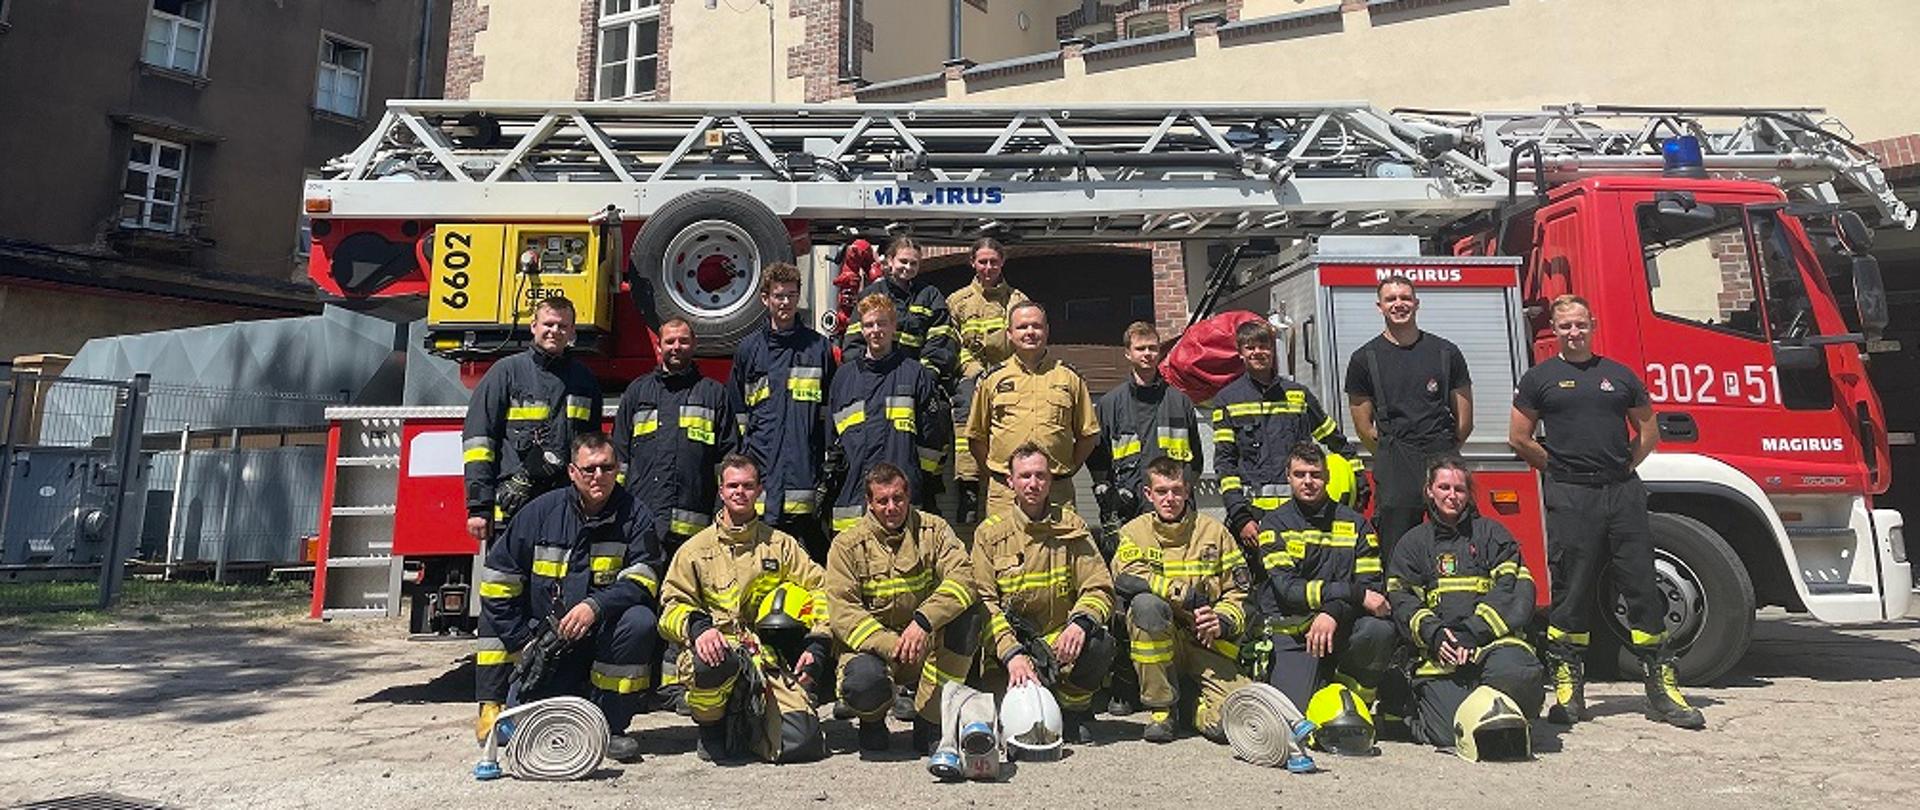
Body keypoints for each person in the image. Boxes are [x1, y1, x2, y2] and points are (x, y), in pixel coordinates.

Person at [1509, 294, 1704, 730]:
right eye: (1565, 326)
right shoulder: (1539, 378)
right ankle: (1568, 688)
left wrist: (1625, 466)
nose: (1574, 332)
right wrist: (1557, 469)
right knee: (1572, 584)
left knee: (1640, 583)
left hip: (1621, 492)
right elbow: (1519, 437)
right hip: (1571, 494)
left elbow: (1648, 429)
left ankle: (1661, 688)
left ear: (1593, 326)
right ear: (1554, 330)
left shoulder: (1619, 375)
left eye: (1580, 324)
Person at [474, 432, 663, 764]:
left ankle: (609, 726)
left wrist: (595, 606)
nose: (598, 476)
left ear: (618, 469)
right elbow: (497, 582)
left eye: (607, 467)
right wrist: (523, 644)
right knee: (518, 731)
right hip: (548, 644)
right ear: (573, 472)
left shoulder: (636, 516)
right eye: (589, 469)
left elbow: (644, 579)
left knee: (639, 621)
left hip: (601, 637)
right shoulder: (539, 513)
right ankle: (494, 703)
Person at [658, 454, 832, 764]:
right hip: (717, 651)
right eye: (733, 486)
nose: (740, 492)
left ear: (759, 490)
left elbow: (821, 589)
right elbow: (670, 608)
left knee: (800, 743)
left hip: (765, 656)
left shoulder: (781, 545)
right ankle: (712, 730)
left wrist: (817, 642)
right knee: (712, 663)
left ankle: (747, 728)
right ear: (721, 491)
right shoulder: (694, 550)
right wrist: (699, 628)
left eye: (748, 486)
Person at [1385, 456, 1544, 749]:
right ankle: (1413, 709)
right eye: (1444, 487)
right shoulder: (1413, 544)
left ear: (1469, 493)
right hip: (1440, 656)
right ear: (1429, 491)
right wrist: (1434, 634)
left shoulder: (1493, 535)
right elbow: (1401, 598)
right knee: (1452, 735)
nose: (1452, 495)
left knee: (1520, 673)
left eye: (1459, 489)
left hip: (1492, 648)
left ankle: (1509, 717)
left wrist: (1472, 632)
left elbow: (1515, 591)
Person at [825, 463, 983, 754]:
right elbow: (843, 612)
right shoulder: (846, 545)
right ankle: (872, 722)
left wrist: (923, 622)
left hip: (922, 642)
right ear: (869, 502)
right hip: (873, 649)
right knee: (863, 681)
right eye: (882, 500)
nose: (891, 507)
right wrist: (892, 644)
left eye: (898, 498)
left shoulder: (934, 530)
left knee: (970, 618)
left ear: (908, 496)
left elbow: (964, 577)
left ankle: (930, 720)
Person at [969, 443, 1117, 744]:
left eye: (1040, 475)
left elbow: (1099, 586)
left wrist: (1080, 623)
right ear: (1010, 481)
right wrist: (1012, 655)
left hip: (1060, 647)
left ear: (1050, 480)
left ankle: (1073, 709)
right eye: (1025, 476)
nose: (1033, 483)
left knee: (1100, 643)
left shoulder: (1072, 526)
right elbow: (984, 604)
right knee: (1017, 720)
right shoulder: (989, 534)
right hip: (1010, 652)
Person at [1111, 456, 1251, 744]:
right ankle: (1162, 710)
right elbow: (1126, 577)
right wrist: (1185, 595)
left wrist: (1221, 621)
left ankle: (1189, 707)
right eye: (1161, 491)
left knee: (1234, 720)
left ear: (1188, 491)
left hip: (1205, 644)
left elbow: (1239, 593)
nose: (1170, 498)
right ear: (1148, 494)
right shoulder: (1134, 533)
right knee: (1146, 606)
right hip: (1162, 641)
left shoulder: (1215, 532)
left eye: (1176, 490)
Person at [1252, 443, 1396, 720]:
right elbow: (1289, 590)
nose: (1308, 481)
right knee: (1294, 717)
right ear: (1288, 476)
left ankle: (1350, 693)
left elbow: (1372, 590)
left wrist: (1331, 612)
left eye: (1315, 474)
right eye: (1300, 474)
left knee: (1378, 630)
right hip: (1294, 631)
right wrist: (1351, 593)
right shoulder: (1273, 525)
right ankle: (1318, 682)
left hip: (1341, 626)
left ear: (1327, 477)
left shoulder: (1357, 525)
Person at [1345, 276, 1473, 561]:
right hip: (1396, 460)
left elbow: (1465, 421)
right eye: (1391, 299)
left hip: (1441, 453)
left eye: (1405, 298)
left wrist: (1446, 450)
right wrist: (1390, 452)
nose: (1399, 304)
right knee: (1396, 545)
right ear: (1379, 306)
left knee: (1459, 536)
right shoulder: (1364, 359)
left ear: (1417, 303)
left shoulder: (1446, 352)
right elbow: (1364, 428)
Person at [1212, 319, 1368, 548]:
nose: (1258, 352)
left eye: (1263, 346)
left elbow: (1333, 437)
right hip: (1255, 517)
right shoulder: (1228, 400)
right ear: (1240, 353)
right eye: (1250, 347)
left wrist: (1358, 475)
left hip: (1302, 513)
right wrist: (1241, 516)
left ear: (1272, 350)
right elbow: (1225, 463)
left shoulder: (1298, 395)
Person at [462, 296, 603, 544]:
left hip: (567, 506)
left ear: (572, 331)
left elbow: (593, 449)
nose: (554, 331)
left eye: (562, 326)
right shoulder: (506, 373)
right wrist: (479, 506)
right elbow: (479, 441)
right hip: (515, 504)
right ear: (533, 326)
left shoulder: (585, 380)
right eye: (548, 324)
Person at [730, 262, 835, 559]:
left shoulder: (818, 348)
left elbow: (829, 412)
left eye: (791, 295)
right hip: (761, 469)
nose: (785, 302)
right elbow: (737, 414)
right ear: (766, 299)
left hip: (805, 469)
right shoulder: (749, 350)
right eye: (779, 295)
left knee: (810, 557)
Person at [825, 294, 950, 534]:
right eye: (869, 325)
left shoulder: (915, 374)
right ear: (861, 329)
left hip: (901, 501)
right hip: (853, 501)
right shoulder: (843, 378)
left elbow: (932, 439)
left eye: (881, 323)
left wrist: (919, 481)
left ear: (894, 326)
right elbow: (832, 440)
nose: (875, 330)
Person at [613, 317, 735, 555]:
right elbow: (619, 458)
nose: (676, 347)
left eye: (683, 341)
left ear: (694, 344)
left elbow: (727, 462)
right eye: (670, 341)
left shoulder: (714, 394)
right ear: (659, 346)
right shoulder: (637, 392)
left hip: (695, 531)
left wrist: (722, 515)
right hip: (643, 525)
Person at [966, 301, 1100, 517]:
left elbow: (1088, 434)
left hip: (1057, 491)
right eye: (1022, 327)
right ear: (1009, 334)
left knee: (1062, 539)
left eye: (1036, 326)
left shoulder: (1069, 377)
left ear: (1047, 331)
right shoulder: (992, 379)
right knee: (1002, 540)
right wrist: (998, 474)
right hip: (1005, 492)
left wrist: (1065, 470)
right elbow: (976, 437)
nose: (1030, 332)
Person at [1090, 321, 1204, 550]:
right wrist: (1111, 502)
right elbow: (1099, 463)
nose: (1147, 354)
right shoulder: (1109, 405)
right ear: (1127, 353)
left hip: (1175, 511)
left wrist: (1181, 492)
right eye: (1140, 348)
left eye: (1152, 348)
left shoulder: (1180, 402)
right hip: (1130, 512)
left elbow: (1196, 460)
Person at [947, 238, 1030, 524]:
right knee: (965, 411)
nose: (988, 267)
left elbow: (1023, 340)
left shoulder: (1017, 300)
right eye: (982, 261)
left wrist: (1004, 371)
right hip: (971, 374)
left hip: (1008, 372)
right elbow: (953, 344)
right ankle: (968, 485)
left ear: (1002, 262)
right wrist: (973, 371)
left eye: (994, 261)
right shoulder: (958, 302)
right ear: (973, 263)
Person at [841, 236, 957, 381]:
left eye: (913, 263)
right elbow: (854, 343)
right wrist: (868, 373)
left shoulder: (930, 296)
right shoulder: (871, 294)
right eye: (903, 261)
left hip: (916, 379)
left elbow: (941, 342)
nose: (908, 267)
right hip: (876, 378)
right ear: (890, 260)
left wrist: (925, 376)